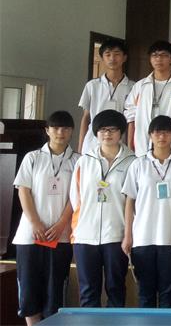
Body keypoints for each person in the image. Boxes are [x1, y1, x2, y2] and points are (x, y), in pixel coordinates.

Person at [13, 111, 78, 325]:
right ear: (47, 130)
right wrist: (35, 223)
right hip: (30, 236)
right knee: (29, 291)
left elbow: (76, 197)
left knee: (55, 292)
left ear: (72, 131)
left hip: (60, 236)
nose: (60, 132)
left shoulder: (78, 160)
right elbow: (23, 191)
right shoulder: (32, 157)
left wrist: (61, 224)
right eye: (56, 128)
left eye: (65, 128)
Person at [69, 109, 135, 307]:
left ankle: (114, 321)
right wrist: (79, 227)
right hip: (85, 236)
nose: (107, 134)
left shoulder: (133, 162)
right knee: (88, 291)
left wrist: (128, 234)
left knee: (116, 289)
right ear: (96, 133)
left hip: (116, 236)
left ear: (121, 132)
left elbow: (133, 202)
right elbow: (75, 198)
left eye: (113, 129)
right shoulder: (84, 161)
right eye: (103, 130)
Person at [121, 115, 171, 308]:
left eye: (166, 132)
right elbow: (129, 201)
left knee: (169, 292)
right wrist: (128, 235)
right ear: (150, 135)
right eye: (157, 132)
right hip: (143, 238)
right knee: (145, 293)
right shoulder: (138, 164)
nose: (162, 137)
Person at [124, 40, 171, 157]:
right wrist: (130, 146)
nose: (158, 59)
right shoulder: (140, 85)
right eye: (154, 55)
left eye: (163, 55)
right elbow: (131, 117)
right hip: (142, 146)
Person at [78, 37, 133, 155]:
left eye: (117, 54)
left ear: (124, 57)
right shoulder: (92, 85)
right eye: (108, 54)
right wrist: (80, 149)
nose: (112, 58)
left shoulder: (133, 87)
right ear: (102, 58)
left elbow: (132, 120)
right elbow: (86, 118)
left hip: (121, 144)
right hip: (93, 143)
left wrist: (131, 147)